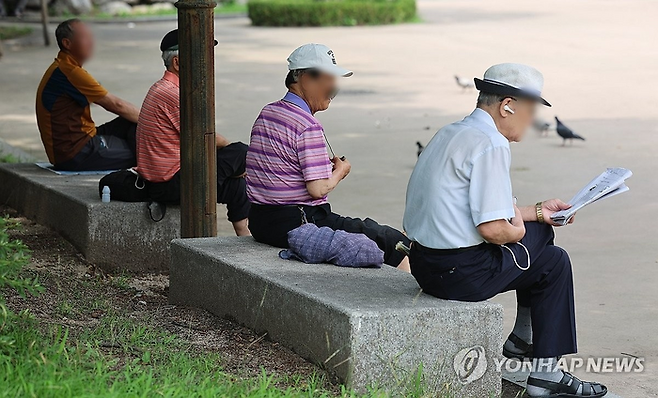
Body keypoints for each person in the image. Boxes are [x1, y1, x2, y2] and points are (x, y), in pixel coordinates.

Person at [404, 64, 607, 397]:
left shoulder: (452, 132)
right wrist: (522, 231)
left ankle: (527, 347)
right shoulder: (491, 143)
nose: (531, 120)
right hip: (460, 274)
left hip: (425, 264)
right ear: (507, 105)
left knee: (552, 261)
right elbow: (494, 229)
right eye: (529, 111)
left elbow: (479, 210)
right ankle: (540, 368)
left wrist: (537, 212)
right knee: (543, 243)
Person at [246, 43, 411, 270]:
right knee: (391, 240)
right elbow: (317, 189)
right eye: (330, 79)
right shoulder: (307, 125)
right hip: (298, 222)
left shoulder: (269, 112)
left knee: (371, 231)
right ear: (305, 78)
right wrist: (340, 172)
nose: (334, 88)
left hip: (261, 222)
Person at [135, 29, 250, 236]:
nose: (206, 62)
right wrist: (238, 159)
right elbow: (209, 137)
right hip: (170, 184)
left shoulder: (164, 88)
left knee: (236, 185)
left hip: (173, 177)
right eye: (200, 56)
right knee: (242, 152)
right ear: (177, 63)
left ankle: (245, 236)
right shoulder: (172, 94)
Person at [36, 19, 140, 171]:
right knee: (146, 153)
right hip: (74, 153)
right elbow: (116, 105)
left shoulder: (63, 66)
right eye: (85, 38)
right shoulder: (70, 72)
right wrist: (155, 122)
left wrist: (148, 121)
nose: (92, 43)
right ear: (67, 43)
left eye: (91, 37)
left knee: (132, 123)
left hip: (85, 136)